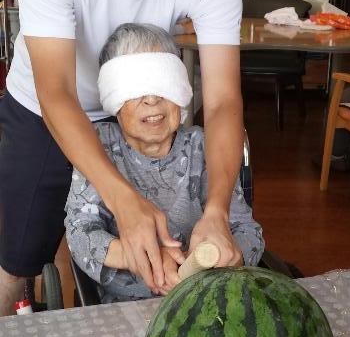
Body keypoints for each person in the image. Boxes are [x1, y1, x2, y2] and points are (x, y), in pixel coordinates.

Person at [0, 0, 244, 316]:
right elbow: (57, 93)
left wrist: (217, 212)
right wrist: (124, 201)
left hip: (137, 113)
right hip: (48, 108)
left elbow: (223, 102)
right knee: (18, 263)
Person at [65, 23, 263, 302]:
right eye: (135, 87)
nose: (152, 98)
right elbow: (79, 233)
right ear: (112, 99)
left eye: (162, 83)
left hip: (206, 301)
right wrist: (143, 256)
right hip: (124, 308)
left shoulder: (205, 149)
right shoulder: (98, 148)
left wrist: (221, 256)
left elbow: (249, 231)